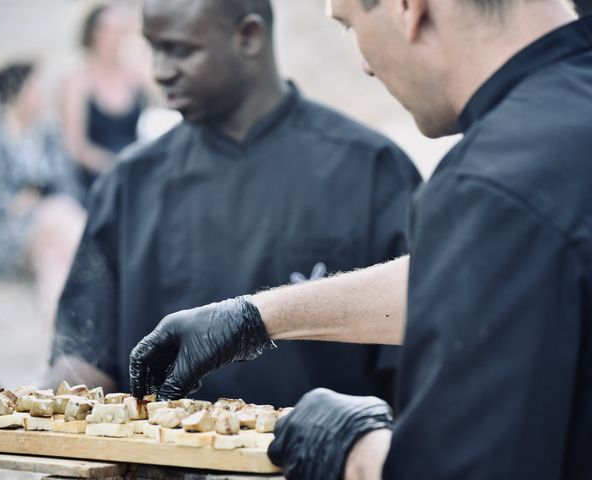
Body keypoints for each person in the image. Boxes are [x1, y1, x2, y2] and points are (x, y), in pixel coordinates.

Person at [129, 0, 592, 479]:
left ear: (407, 7)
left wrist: (354, 450)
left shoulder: (491, 183)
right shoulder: (565, 132)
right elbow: (504, 271)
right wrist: (256, 317)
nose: (366, 65)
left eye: (350, 25)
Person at [49, 0, 421, 407]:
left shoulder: (371, 170)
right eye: (152, 48)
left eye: (180, 50)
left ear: (248, 36)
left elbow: (416, 368)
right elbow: (83, 355)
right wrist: (13, 410)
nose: (159, 70)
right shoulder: (128, 184)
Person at [0, 62, 86, 327]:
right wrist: (11, 203)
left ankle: (57, 339)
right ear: (16, 93)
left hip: (46, 226)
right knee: (59, 215)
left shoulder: (47, 133)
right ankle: (96, 254)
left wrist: (41, 193)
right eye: (36, 88)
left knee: (53, 259)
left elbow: (69, 184)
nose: (43, 94)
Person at [60, 4, 153, 197]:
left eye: (121, 30)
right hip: (98, 179)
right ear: (93, 33)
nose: (116, 37)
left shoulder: (135, 75)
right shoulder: (77, 82)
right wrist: (116, 165)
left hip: (138, 171)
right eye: (109, 30)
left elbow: (168, 100)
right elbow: (76, 147)